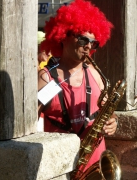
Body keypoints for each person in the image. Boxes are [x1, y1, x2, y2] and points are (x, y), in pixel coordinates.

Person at [38, 0, 118, 172]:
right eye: (83, 40)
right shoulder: (46, 79)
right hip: (60, 168)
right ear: (64, 36)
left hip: (95, 167)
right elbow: (28, 125)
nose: (88, 46)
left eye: (93, 43)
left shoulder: (96, 75)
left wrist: (113, 121)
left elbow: (107, 112)